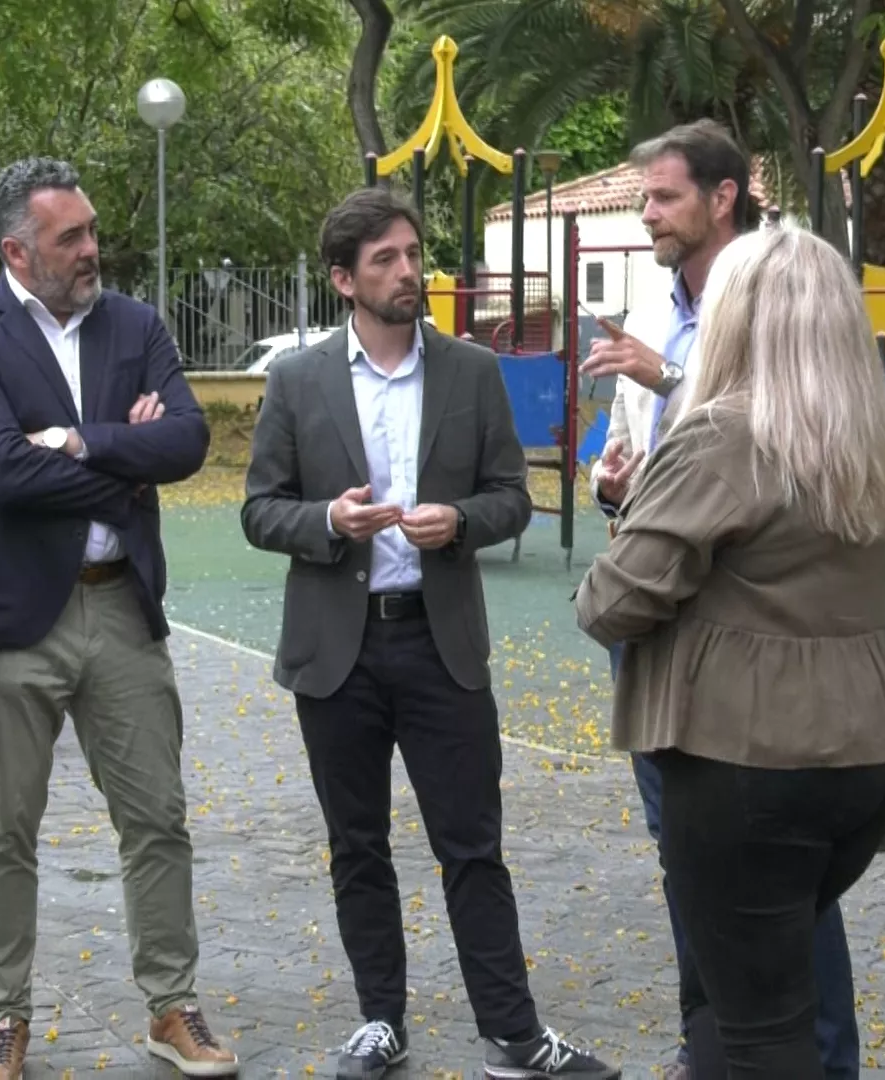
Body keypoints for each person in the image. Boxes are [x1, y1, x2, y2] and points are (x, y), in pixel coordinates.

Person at [242, 187, 618, 1080]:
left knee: (472, 846)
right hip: (338, 650)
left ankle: (514, 1035)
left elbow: (511, 496)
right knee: (357, 845)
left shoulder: (470, 372)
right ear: (344, 279)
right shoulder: (298, 381)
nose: (409, 272)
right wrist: (329, 520)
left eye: (413, 254)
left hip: (440, 642)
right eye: (385, 260)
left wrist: (461, 522)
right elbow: (261, 509)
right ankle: (380, 1019)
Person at [574, 225, 885, 1078]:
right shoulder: (864, 435)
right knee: (772, 990)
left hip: (744, 757)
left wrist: (635, 510)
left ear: (733, 322)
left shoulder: (726, 433)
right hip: (863, 756)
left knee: (753, 1026)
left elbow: (612, 602)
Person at [0, 157, 235, 1079]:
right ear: (18, 250)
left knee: (157, 819)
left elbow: (185, 441)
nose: (92, 248)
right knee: (2, 833)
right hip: (17, 618)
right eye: (72, 238)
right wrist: (123, 456)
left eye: (93, 230)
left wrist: (77, 438)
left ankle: (171, 1007)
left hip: (121, 610)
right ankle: (4, 1019)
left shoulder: (134, 324)